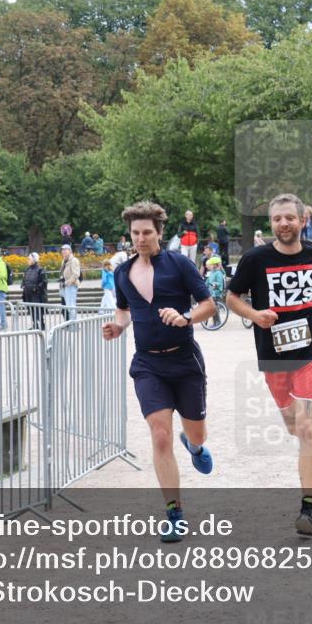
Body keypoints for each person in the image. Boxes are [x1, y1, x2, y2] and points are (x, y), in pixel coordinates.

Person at [226, 193, 312, 536]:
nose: (283, 224)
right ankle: (309, 435)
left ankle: (308, 508)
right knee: (295, 426)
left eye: (289, 218)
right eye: (277, 219)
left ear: (302, 220)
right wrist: (253, 314)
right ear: (271, 223)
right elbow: (231, 297)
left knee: (305, 429)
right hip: (275, 355)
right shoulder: (255, 259)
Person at [102, 201, 216, 543]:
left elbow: (210, 305)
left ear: (160, 232)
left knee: (196, 434)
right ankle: (175, 513)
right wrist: (118, 327)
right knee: (160, 435)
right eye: (135, 233)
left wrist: (185, 318)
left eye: (147, 232)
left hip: (184, 361)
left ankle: (194, 447)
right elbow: (124, 311)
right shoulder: (123, 273)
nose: (140, 238)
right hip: (148, 364)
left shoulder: (179, 264)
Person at [21, 253, 48, 330]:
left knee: (37, 309)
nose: (28, 260)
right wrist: (22, 284)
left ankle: (42, 325)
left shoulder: (40, 269)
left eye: (29, 259)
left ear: (34, 260)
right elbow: (25, 278)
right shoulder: (27, 269)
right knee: (31, 309)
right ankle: (35, 324)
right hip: (27, 293)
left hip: (36, 294)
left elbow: (44, 281)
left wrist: (36, 288)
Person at [59, 244, 81, 321]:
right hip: (64, 285)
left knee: (71, 305)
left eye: (65, 249)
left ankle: (74, 323)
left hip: (71, 285)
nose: (63, 251)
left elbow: (76, 274)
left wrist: (67, 282)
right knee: (68, 305)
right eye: (62, 250)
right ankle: (72, 322)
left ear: (70, 250)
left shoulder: (74, 260)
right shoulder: (64, 260)